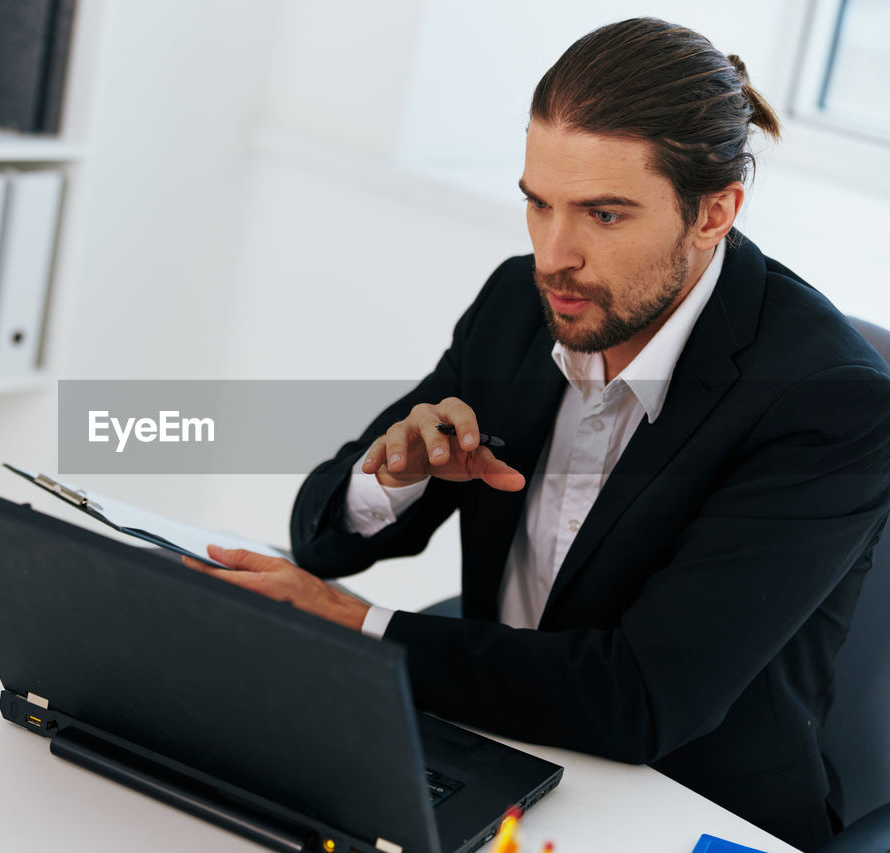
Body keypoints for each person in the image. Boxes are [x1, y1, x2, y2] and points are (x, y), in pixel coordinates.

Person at [182, 17, 890, 851]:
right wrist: (393, 477)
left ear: (714, 213)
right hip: (490, 745)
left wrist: (356, 628)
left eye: (604, 214)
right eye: (537, 202)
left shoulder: (829, 404)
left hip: (685, 803)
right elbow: (323, 536)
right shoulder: (522, 305)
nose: (554, 254)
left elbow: (641, 700)